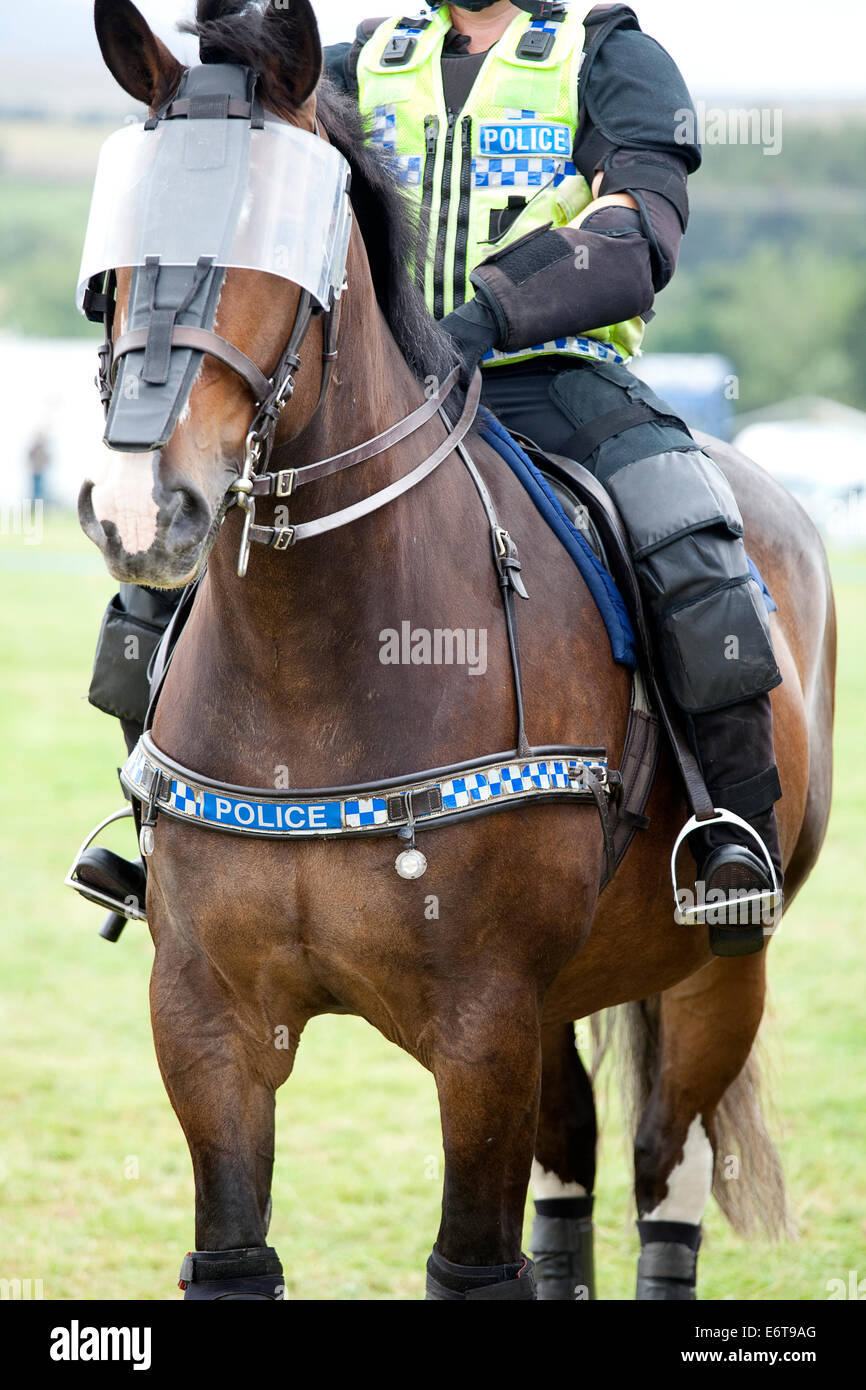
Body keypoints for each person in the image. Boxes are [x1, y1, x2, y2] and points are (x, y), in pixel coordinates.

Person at [79, 1, 783, 950]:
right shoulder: (352, 62)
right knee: (157, 581)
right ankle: (155, 829)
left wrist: (489, 316)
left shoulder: (613, 58)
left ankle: (729, 832)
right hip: (373, 384)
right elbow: (227, 152)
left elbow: (636, 228)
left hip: (551, 374)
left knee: (689, 540)